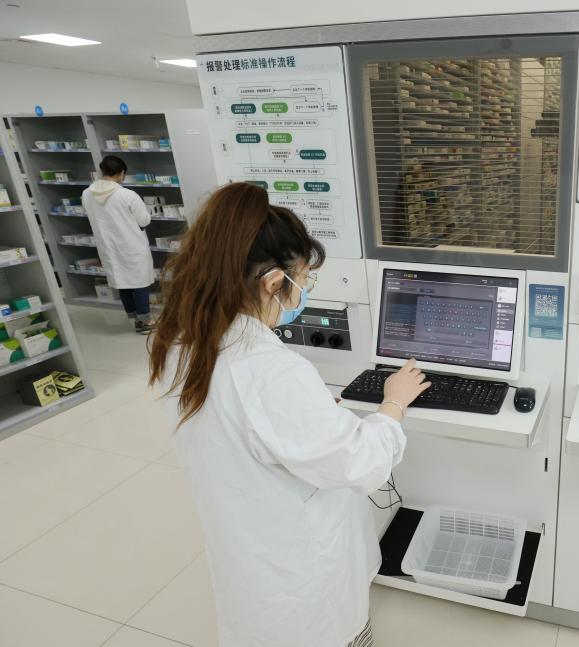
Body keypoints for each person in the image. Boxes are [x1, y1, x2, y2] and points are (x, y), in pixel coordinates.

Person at [148, 183, 430, 647]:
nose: (305, 292)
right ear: (273, 282)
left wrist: (310, 416)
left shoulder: (180, 344)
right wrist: (393, 404)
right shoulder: (270, 371)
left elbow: (241, 427)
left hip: (248, 548)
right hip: (303, 573)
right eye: (304, 280)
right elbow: (360, 463)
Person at [82, 155, 155, 334]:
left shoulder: (87, 193)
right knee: (140, 282)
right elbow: (144, 220)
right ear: (121, 173)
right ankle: (145, 321)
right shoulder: (127, 195)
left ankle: (135, 319)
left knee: (123, 282)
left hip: (108, 247)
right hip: (131, 244)